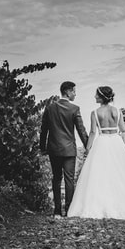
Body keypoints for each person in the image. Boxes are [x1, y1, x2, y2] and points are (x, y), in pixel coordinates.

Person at [66, 86, 125, 219]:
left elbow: (93, 132)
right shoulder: (117, 111)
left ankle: (102, 203)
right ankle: (120, 203)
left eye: (96, 95)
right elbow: (123, 129)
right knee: (119, 174)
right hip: (116, 142)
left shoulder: (95, 113)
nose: (94, 97)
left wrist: (88, 149)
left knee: (100, 175)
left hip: (102, 142)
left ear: (101, 97)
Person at [39, 81, 89, 217]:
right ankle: (68, 210)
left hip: (54, 149)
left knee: (56, 178)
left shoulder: (50, 108)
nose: (75, 94)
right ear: (67, 92)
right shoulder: (74, 109)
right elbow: (81, 130)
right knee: (69, 179)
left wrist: (42, 148)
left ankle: (57, 211)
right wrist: (88, 147)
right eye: (74, 91)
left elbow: (44, 130)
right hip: (69, 150)